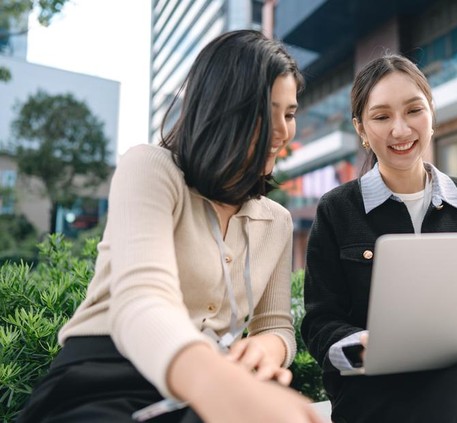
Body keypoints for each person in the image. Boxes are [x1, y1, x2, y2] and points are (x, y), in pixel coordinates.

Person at [18, 30, 323, 423]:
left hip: (210, 385)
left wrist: (265, 350)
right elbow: (142, 299)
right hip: (109, 377)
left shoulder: (276, 221)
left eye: (291, 113)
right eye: (267, 112)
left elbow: (277, 326)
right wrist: (218, 384)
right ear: (222, 109)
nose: (282, 132)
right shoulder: (150, 167)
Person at [301, 54, 457, 423]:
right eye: (381, 117)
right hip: (374, 388)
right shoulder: (337, 208)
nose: (400, 130)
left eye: (414, 110)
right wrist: (361, 346)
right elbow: (319, 320)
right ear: (361, 129)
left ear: (432, 114)